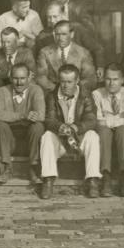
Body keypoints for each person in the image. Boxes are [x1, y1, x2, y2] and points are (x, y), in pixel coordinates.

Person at [40, 64, 101, 200]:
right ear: (58, 80)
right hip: (60, 140)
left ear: (77, 80)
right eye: (62, 81)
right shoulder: (52, 96)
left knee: (92, 136)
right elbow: (49, 119)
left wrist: (76, 127)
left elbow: (91, 119)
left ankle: (92, 180)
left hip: (78, 139)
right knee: (47, 136)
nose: (65, 85)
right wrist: (59, 126)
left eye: (69, 82)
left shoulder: (86, 96)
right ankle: (48, 180)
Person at [0, 63, 46, 185]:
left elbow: (40, 115)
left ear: (29, 78)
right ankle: (6, 167)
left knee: (38, 126)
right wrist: (23, 116)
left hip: (29, 141)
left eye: (22, 78)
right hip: (8, 141)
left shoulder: (36, 90)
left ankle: (33, 168)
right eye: (15, 78)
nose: (19, 82)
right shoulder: (2, 91)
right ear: (10, 78)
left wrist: (10, 116)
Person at [92, 63, 124, 197]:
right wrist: (123, 117)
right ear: (104, 79)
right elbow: (98, 121)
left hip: (123, 132)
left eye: (115, 79)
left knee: (123, 130)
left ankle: (123, 177)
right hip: (104, 131)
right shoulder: (96, 94)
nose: (111, 83)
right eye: (108, 79)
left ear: (122, 80)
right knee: (104, 131)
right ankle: (106, 177)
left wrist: (114, 119)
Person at [50, 0, 105, 77]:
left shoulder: (79, 8)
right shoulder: (48, 8)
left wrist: (69, 27)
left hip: (77, 43)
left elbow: (90, 29)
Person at [36, 20, 97, 93]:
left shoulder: (83, 53)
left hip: (77, 94)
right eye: (57, 34)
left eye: (64, 34)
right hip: (53, 93)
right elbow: (41, 77)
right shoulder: (45, 52)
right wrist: (57, 90)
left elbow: (90, 79)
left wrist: (73, 89)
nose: (60, 38)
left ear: (71, 34)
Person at [0, 27, 36, 92]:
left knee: (31, 83)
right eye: (3, 42)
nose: (5, 45)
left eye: (9, 42)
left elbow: (32, 75)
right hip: (3, 92)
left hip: (22, 88)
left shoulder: (26, 53)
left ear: (17, 41)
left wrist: (3, 73)